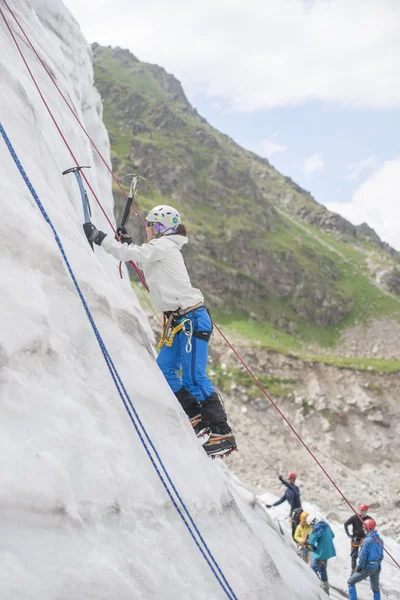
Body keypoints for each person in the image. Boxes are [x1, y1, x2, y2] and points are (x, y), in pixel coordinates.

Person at [83, 205, 236, 458]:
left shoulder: (165, 245)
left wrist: (100, 238)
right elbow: (146, 263)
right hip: (181, 321)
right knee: (165, 368)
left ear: (160, 226)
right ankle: (196, 416)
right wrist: (131, 244)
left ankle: (222, 432)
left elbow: (131, 254)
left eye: (151, 225)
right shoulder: (162, 248)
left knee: (194, 378)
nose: (148, 230)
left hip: (191, 320)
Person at [347, 518, 384, 600]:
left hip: (367, 567)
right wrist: (379, 566)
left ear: (367, 529)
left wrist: (359, 567)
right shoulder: (380, 540)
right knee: (376, 588)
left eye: (364, 529)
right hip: (376, 567)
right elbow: (381, 556)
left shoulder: (366, 541)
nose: (363, 531)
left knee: (351, 582)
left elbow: (362, 556)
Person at [265, 472, 302, 540]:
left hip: (299, 513)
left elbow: (290, 486)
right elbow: (282, 500)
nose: (289, 480)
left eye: (290, 479)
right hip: (293, 513)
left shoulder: (295, 489)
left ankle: (304, 545)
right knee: (294, 532)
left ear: (293, 480)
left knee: (298, 530)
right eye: (288, 479)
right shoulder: (288, 491)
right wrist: (273, 505)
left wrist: (282, 480)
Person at [307, 514, 336, 596]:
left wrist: (314, 548)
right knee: (323, 569)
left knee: (312, 569)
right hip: (329, 551)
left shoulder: (316, 528)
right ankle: (326, 590)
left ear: (312, 522)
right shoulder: (326, 525)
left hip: (321, 552)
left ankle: (316, 587)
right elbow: (333, 535)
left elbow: (311, 541)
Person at [344, 504, 372, 573]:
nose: (361, 512)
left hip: (365, 539)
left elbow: (372, 526)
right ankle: (353, 570)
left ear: (366, 511)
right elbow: (346, 524)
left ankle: (361, 569)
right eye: (361, 510)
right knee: (354, 555)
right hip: (356, 538)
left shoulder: (368, 519)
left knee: (364, 555)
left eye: (363, 511)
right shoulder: (354, 517)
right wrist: (348, 534)